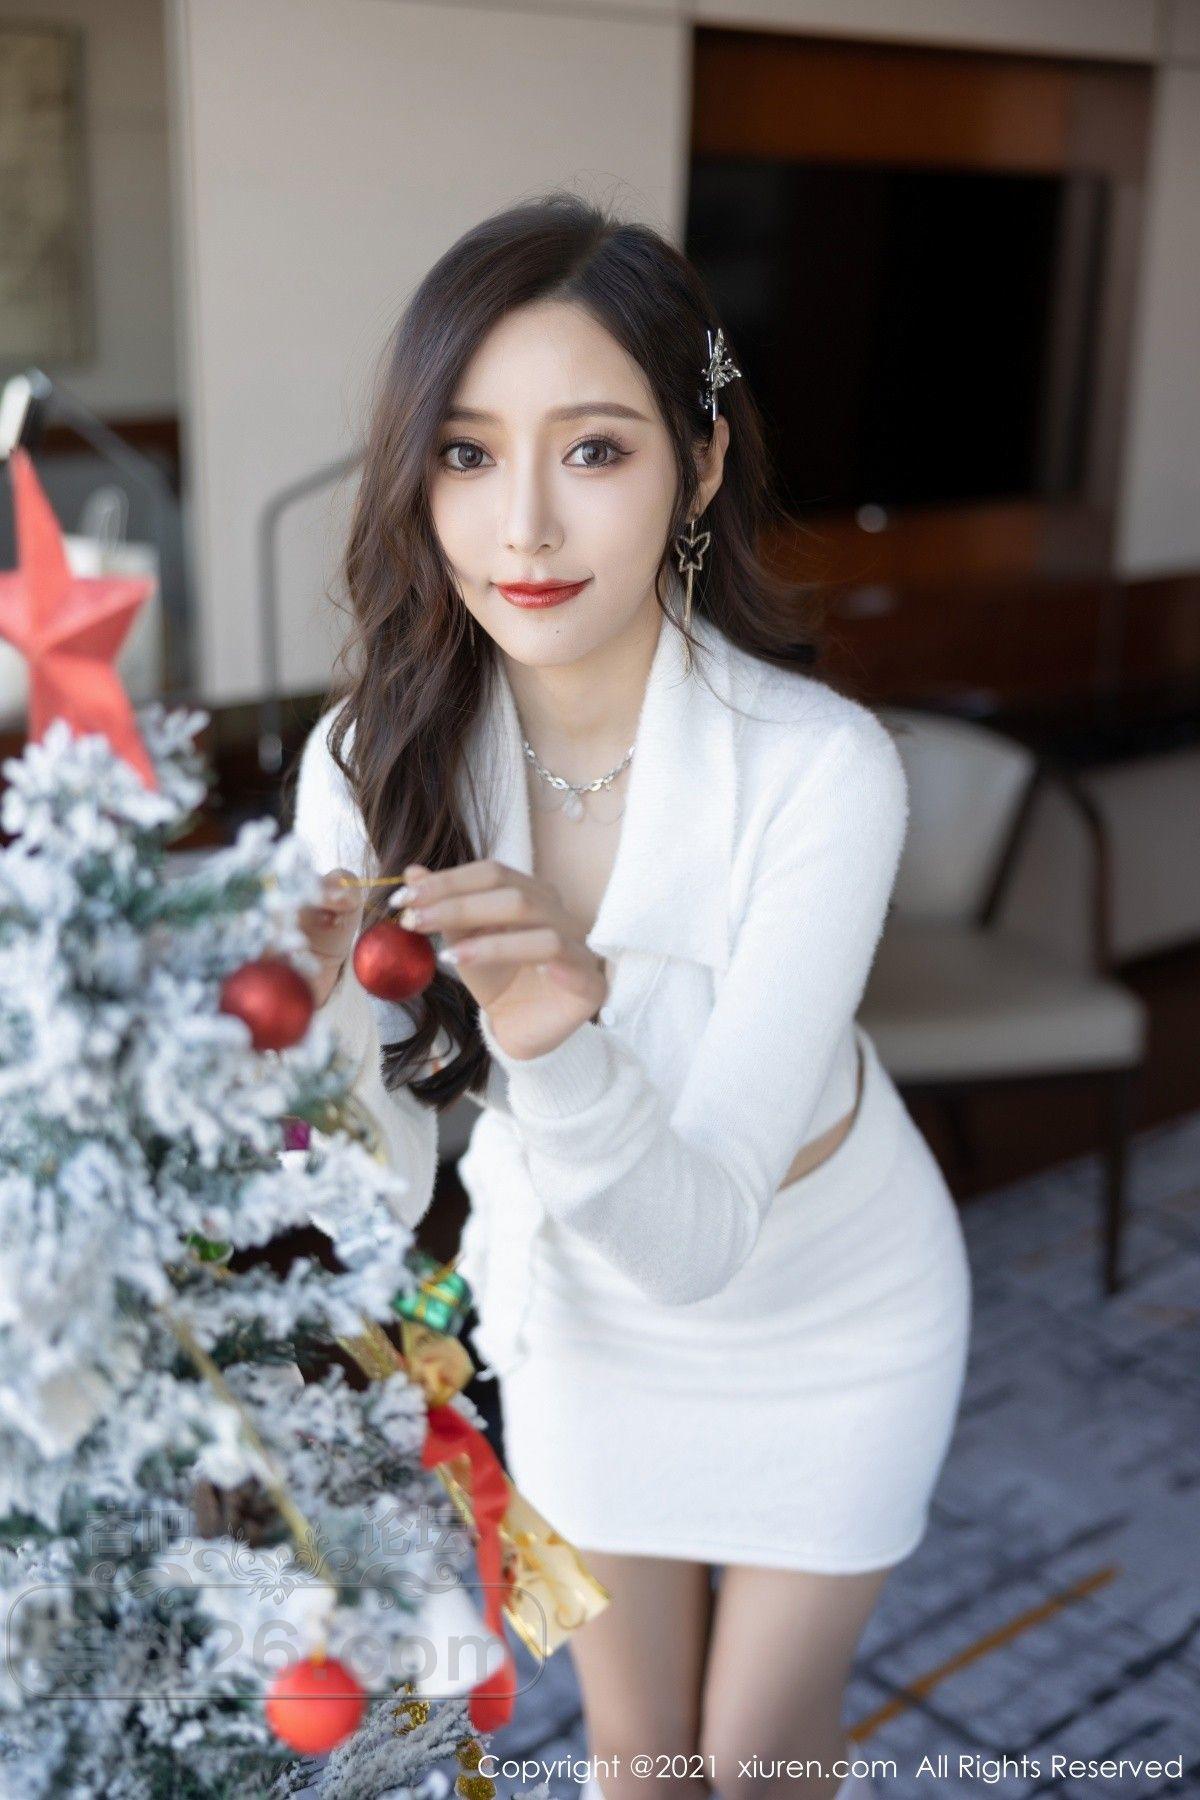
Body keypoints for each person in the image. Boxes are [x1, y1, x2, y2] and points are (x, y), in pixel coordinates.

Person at [291, 193, 972, 1800]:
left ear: (701, 465)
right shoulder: (368, 765)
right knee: (646, 1762)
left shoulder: (821, 772)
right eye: (467, 454)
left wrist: (557, 1042)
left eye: (593, 450)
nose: (523, 527)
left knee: (759, 1760)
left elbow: (701, 1234)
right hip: (585, 1318)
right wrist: (315, 1049)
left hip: (833, 1304)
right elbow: (370, 1183)